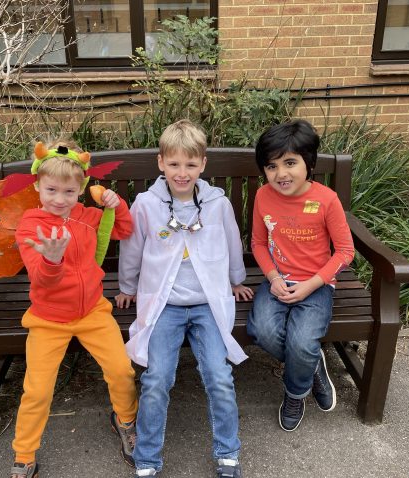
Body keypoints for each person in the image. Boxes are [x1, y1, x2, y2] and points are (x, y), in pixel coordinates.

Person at [116, 119, 253, 478]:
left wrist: (237, 280)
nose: (182, 172)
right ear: (161, 162)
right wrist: (128, 288)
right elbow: (132, 249)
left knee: (218, 376)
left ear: (203, 165)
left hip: (207, 304)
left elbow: (231, 242)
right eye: (174, 164)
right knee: (157, 377)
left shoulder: (216, 204)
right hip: (165, 306)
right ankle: (147, 459)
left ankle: (228, 453)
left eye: (190, 165)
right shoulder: (146, 205)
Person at [10, 140, 138, 478]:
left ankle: (125, 420)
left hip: (93, 311)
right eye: (51, 189)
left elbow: (125, 229)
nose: (59, 199)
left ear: (80, 188)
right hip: (48, 319)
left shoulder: (87, 217)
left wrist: (115, 203)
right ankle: (24, 454)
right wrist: (51, 260)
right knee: (37, 389)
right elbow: (41, 278)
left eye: (69, 191)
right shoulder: (30, 225)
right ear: (37, 185)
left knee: (122, 371)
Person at [247, 119, 355, 432]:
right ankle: (313, 363)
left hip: (316, 284)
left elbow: (345, 251)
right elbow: (257, 242)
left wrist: (311, 285)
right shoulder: (264, 197)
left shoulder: (326, 199)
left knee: (303, 340)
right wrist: (273, 277)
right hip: (278, 280)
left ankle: (295, 393)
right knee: (262, 331)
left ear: (308, 162)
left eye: (290, 163)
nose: (280, 174)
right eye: (271, 166)